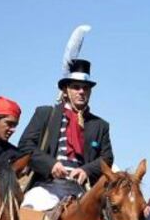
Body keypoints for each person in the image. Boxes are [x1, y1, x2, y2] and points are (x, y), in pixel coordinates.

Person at [18, 59, 113, 210]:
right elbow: (25, 146)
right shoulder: (45, 114)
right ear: (65, 90)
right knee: (27, 213)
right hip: (47, 187)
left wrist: (86, 170)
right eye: (76, 87)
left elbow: (107, 158)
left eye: (85, 88)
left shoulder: (100, 125)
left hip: (81, 191)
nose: (81, 91)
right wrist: (51, 164)